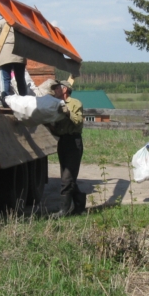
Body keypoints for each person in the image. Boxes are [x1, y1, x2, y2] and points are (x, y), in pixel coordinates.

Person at [49, 79, 85, 217]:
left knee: (66, 179)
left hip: (73, 142)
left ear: (65, 89)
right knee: (68, 178)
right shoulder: (56, 104)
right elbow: (58, 130)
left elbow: (77, 121)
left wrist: (66, 111)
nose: (54, 90)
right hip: (63, 142)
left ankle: (63, 211)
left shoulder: (75, 103)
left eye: (57, 88)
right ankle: (80, 207)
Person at [0, 18, 28, 105]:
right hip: (20, 52)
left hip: (6, 53)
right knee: (20, 79)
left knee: (6, 79)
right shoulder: (20, 21)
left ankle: (6, 102)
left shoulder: (1, 22)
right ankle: (25, 101)